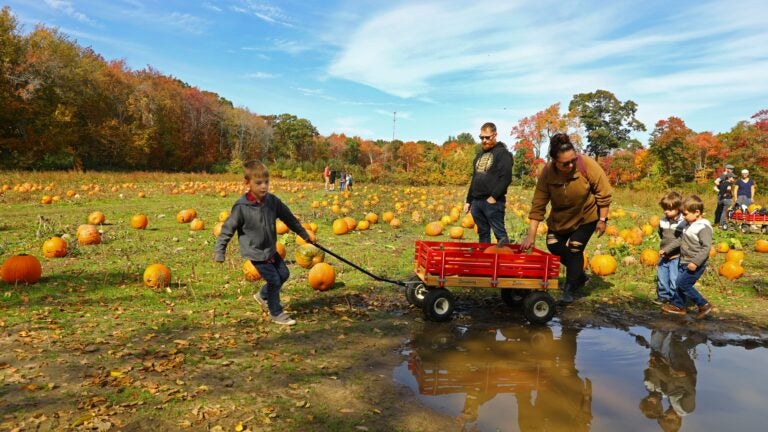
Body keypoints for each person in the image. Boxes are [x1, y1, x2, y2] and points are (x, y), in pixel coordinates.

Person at [214, 160, 315, 326]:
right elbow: (227, 229)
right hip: (255, 252)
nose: (264, 186)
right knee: (274, 279)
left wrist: (303, 233)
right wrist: (220, 251)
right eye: (258, 183)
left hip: (270, 249)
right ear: (247, 183)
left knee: (284, 274)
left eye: (266, 182)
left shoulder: (272, 202)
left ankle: (262, 296)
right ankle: (276, 312)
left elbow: (288, 218)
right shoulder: (241, 207)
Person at [521, 133, 612, 303]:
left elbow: (603, 192)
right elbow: (538, 204)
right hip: (561, 219)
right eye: (565, 163)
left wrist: (602, 219)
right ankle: (579, 275)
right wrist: (531, 235)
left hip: (586, 216)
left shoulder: (586, 164)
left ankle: (570, 289)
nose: (571, 164)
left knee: (575, 249)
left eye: (573, 160)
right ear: (555, 161)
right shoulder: (547, 173)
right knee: (553, 246)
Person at [661, 195, 714, 319]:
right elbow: (680, 239)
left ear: (697, 212)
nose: (683, 217)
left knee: (683, 284)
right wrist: (667, 249)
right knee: (679, 283)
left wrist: (696, 262)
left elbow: (706, 248)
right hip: (685, 261)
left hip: (695, 263)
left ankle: (704, 305)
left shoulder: (703, 227)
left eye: (685, 214)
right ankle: (678, 306)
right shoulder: (689, 224)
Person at [462, 122, 513, 244]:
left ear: (495, 135)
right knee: (483, 234)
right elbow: (474, 179)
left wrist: (493, 197)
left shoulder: (503, 153)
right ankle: (486, 261)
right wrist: (469, 201)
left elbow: (506, 178)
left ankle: (504, 260)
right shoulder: (479, 156)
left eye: (487, 137)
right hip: (477, 203)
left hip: (492, 202)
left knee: (500, 235)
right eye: (481, 137)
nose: (484, 140)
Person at [655, 192, 684, 305]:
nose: (665, 211)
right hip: (664, 255)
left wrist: (667, 249)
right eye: (664, 209)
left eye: (669, 209)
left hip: (676, 256)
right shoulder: (663, 220)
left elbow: (681, 240)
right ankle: (663, 296)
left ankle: (674, 299)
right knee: (662, 277)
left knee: (674, 279)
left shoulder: (682, 223)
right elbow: (661, 233)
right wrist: (664, 248)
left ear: (678, 209)